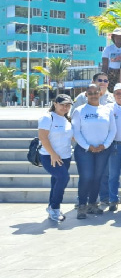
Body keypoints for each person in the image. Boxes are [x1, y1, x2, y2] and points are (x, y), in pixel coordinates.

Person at [72, 83, 117, 219]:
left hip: (103, 150)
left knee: (98, 177)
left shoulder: (107, 110)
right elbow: (76, 132)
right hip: (84, 151)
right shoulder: (79, 110)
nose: (93, 95)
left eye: (95, 92)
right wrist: (88, 146)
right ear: (86, 95)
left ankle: (92, 204)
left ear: (100, 93)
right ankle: (82, 205)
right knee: (86, 177)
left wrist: (105, 145)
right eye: (90, 93)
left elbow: (112, 130)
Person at [38, 94, 74, 222]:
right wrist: (53, 154)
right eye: (62, 104)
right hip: (49, 156)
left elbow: (72, 137)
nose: (65, 107)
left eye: (68, 105)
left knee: (56, 181)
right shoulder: (47, 118)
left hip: (66, 156)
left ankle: (51, 208)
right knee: (64, 177)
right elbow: (43, 137)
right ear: (55, 104)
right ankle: (55, 207)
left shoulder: (67, 120)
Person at [100, 83, 121, 211]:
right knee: (113, 175)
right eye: (118, 93)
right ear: (114, 95)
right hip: (115, 146)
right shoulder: (108, 108)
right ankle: (113, 200)